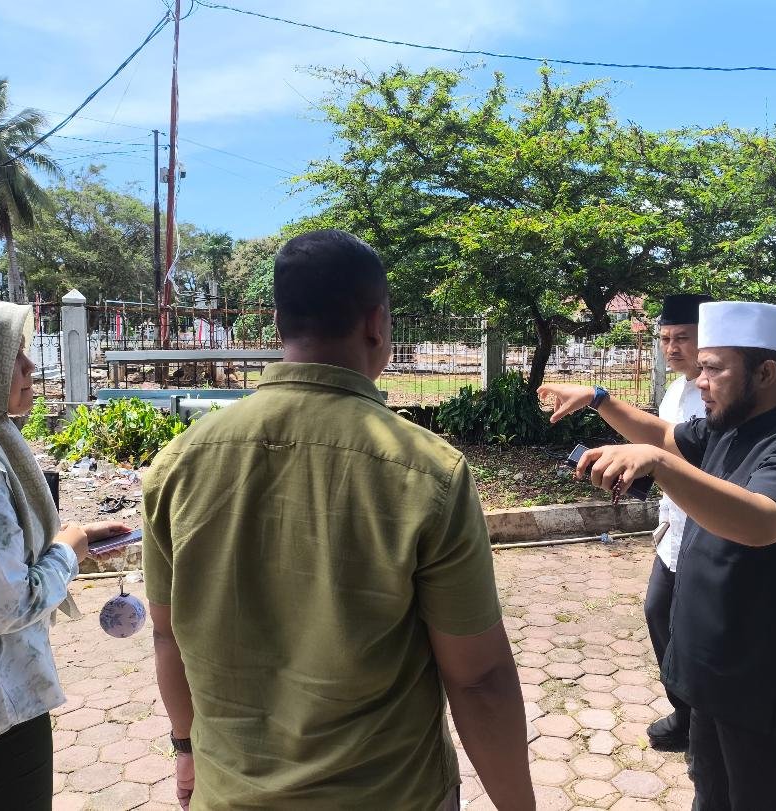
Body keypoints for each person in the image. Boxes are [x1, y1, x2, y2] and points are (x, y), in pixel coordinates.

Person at [142, 229, 534, 811]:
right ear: (377, 324)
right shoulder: (428, 473)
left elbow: (166, 634)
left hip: (229, 796)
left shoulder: (176, 465)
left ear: (279, 324)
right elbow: (478, 679)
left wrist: (185, 747)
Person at [542, 301, 776, 810]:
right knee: (711, 790)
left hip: (764, 679)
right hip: (716, 671)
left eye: (713, 369)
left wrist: (660, 466)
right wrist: (599, 400)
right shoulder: (733, 421)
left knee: (762, 798)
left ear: (765, 372)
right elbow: (666, 437)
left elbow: (760, 521)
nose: (699, 381)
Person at [0, 297, 129, 811]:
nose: (30, 366)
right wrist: (66, 551)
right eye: (11, 355)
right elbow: (7, 606)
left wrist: (71, 537)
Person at [538, 293, 710, 751]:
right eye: (665, 339)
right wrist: (634, 472)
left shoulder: (721, 396)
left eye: (683, 338)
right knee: (659, 614)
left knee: (700, 634)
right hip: (675, 532)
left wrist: (601, 401)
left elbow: (680, 454)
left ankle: (707, 725)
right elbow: (664, 442)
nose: (671, 348)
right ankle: (686, 713)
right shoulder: (677, 391)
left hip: (711, 534)